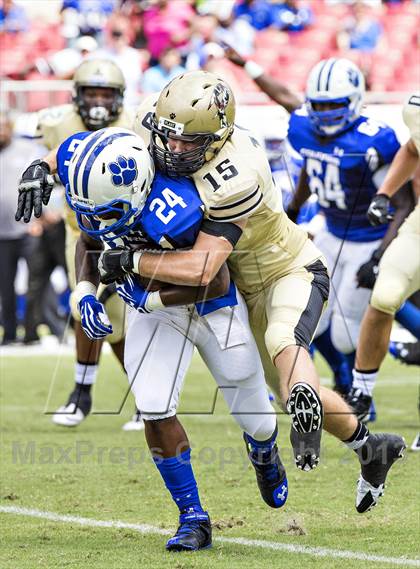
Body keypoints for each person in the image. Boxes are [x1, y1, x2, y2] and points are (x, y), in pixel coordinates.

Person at [16, 71, 406, 514]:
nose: (173, 149)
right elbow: (78, 150)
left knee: (283, 345)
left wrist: (130, 263)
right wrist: (41, 168)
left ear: (218, 136)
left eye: (189, 143)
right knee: (277, 393)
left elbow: (203, 268)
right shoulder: (151, 121)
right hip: (228, 276)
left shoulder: (237, 175)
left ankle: (306, 414)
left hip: (278, 269)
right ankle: (370, 447)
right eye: (168, 136)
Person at [58, 126, 287, 551]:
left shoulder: (177, 208)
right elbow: (89, 239)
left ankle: (263, 451)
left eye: (108, 211)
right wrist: (84, 291)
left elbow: (215, 280)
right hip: (150, 307)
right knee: (153, 404)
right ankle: (192, 517)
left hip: (208, 304)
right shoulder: (97, 185)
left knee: (256, 417)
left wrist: (149, 295)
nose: (100, 219)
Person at [15, 59, 141, 431]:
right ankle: (91, 394)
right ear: (77, 96)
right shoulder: (56, 122)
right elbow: (39, 147)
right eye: (92, 93)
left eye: (106, 94)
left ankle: (128, 395)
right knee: (88, 308)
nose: (99, 102)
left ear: (120, 97)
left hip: (126, 232)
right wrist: (40, 171)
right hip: (80, 231)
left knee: (122, 320)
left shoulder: (135, 124)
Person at [286, 58, 413, 375]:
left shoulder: (375, 139)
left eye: (334, 104)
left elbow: (404, 203)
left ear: (354, 100)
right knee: (309, 317)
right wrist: (293, 209)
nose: (326, 113)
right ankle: (344, 382)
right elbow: (310, 165)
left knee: (346, 333)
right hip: (331, 232)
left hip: (368, 239)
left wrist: (379, 257)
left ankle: (362, 383)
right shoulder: (304, 129)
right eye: (319, 105)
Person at [346, 93, 420, 449]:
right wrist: (385, 194)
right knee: (385, 294)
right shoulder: (416, 109)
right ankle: (361, 391)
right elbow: (413, 147)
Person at [0, 112, 39, 344]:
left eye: (3, 126)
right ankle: (9, 333)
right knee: (5, 286)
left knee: (36, 282)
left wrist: (38, 219)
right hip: (2, 234)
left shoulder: (26, 149)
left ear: (11, 127)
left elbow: (41, 183)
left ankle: (33, 332)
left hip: (27, 229)